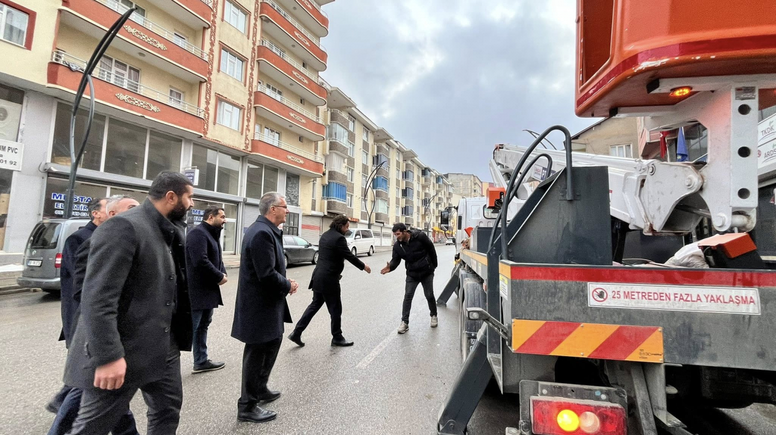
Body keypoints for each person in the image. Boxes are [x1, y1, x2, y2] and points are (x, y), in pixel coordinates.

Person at [63, 171, 194, 435]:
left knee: (167, 413)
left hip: (163, 347)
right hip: (123, 350)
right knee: (92, 427)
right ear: (171, 197)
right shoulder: (124, 226)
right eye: (189, 197)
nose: (192, 204)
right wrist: (108, 356)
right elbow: (98, 297)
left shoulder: (169, 230)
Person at [48, 195, 140, 435]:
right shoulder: (82, 239)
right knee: (89, 388)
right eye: (131, 208)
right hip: (89, 324)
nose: (138, 213)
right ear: (103, 213)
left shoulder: (123, 237)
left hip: (106, 326)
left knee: (97, 389)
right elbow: (84, 290)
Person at [231, 192, 298, 423]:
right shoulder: (261, 233)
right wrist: (288, 284)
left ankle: (260, 389)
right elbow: (266, 274)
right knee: (257, 353)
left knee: (272, 342)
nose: (287, 211)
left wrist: (284, 283)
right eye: (284, 206)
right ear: (273, 209)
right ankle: (247, 406)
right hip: (259, 307)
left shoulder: (267, 230)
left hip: (269, 305)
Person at [46, 197, 107, 414]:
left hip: (92, 307)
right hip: (81, 308)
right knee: (85, 359)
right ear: (95, 213)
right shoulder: (79, 238)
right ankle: (63, 401)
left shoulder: (105, 235)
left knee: (88, 360)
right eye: (107, 208)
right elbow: (81, 276)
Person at [288, 215, 372, 348]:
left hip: (318, 277)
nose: (347, 229)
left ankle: (296, 333)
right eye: (346, 227)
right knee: (335, 309)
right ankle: (337, 337)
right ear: (341, 226)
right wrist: (363, 266)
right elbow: (349, 255)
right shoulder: (339, 238)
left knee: (314, 306)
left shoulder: (325, 235)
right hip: (329, 279)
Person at [186, 205, 228, 374]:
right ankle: (162, 368)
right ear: (211, 217)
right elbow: (200, 261)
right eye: (222, 217)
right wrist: (219, 276)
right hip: (196, 291)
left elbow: (217, 258)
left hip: (208, 291)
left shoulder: (211, 234)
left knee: (203, 326)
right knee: (190, 328)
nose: (225, 220)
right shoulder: (198, 234)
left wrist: (223, 272)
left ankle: (201, 361)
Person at [380, 223, 439, 334]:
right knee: (408, 296)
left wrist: (433, 266)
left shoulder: (420, 237)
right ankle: (404, 322)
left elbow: (431, 249)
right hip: (412, 274)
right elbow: (395, 260)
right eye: (395, 235)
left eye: (398, 234)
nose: (396, 237)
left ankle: (434, 315)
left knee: (429, 295)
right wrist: (390, 267)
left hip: (426, 272)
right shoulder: (398, 246)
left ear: (405, 231)